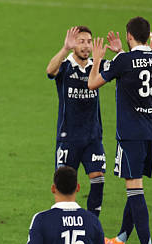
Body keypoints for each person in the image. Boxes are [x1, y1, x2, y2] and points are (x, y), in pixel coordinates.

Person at [87, 17, 152, 244]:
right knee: (135, 187)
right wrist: (124, 54)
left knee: (134, 189)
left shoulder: (123, 61)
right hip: (150, 131)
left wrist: (99, 60)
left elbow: (93, 83)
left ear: (129, 35)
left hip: (130, 133)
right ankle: (121, 239)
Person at [46, 26, 109, 218]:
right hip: (68, 137)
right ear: (74, 45)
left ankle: (92, 224)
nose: (86, 46)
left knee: (98, 179)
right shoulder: (65, 66)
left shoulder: (97, 65)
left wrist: (119, 51)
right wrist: (65, 48)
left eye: (88, 42)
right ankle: (62, 222)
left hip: (92, 137)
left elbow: (123, 68)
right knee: (64, 185)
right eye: (81, 41)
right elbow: (49, 71)